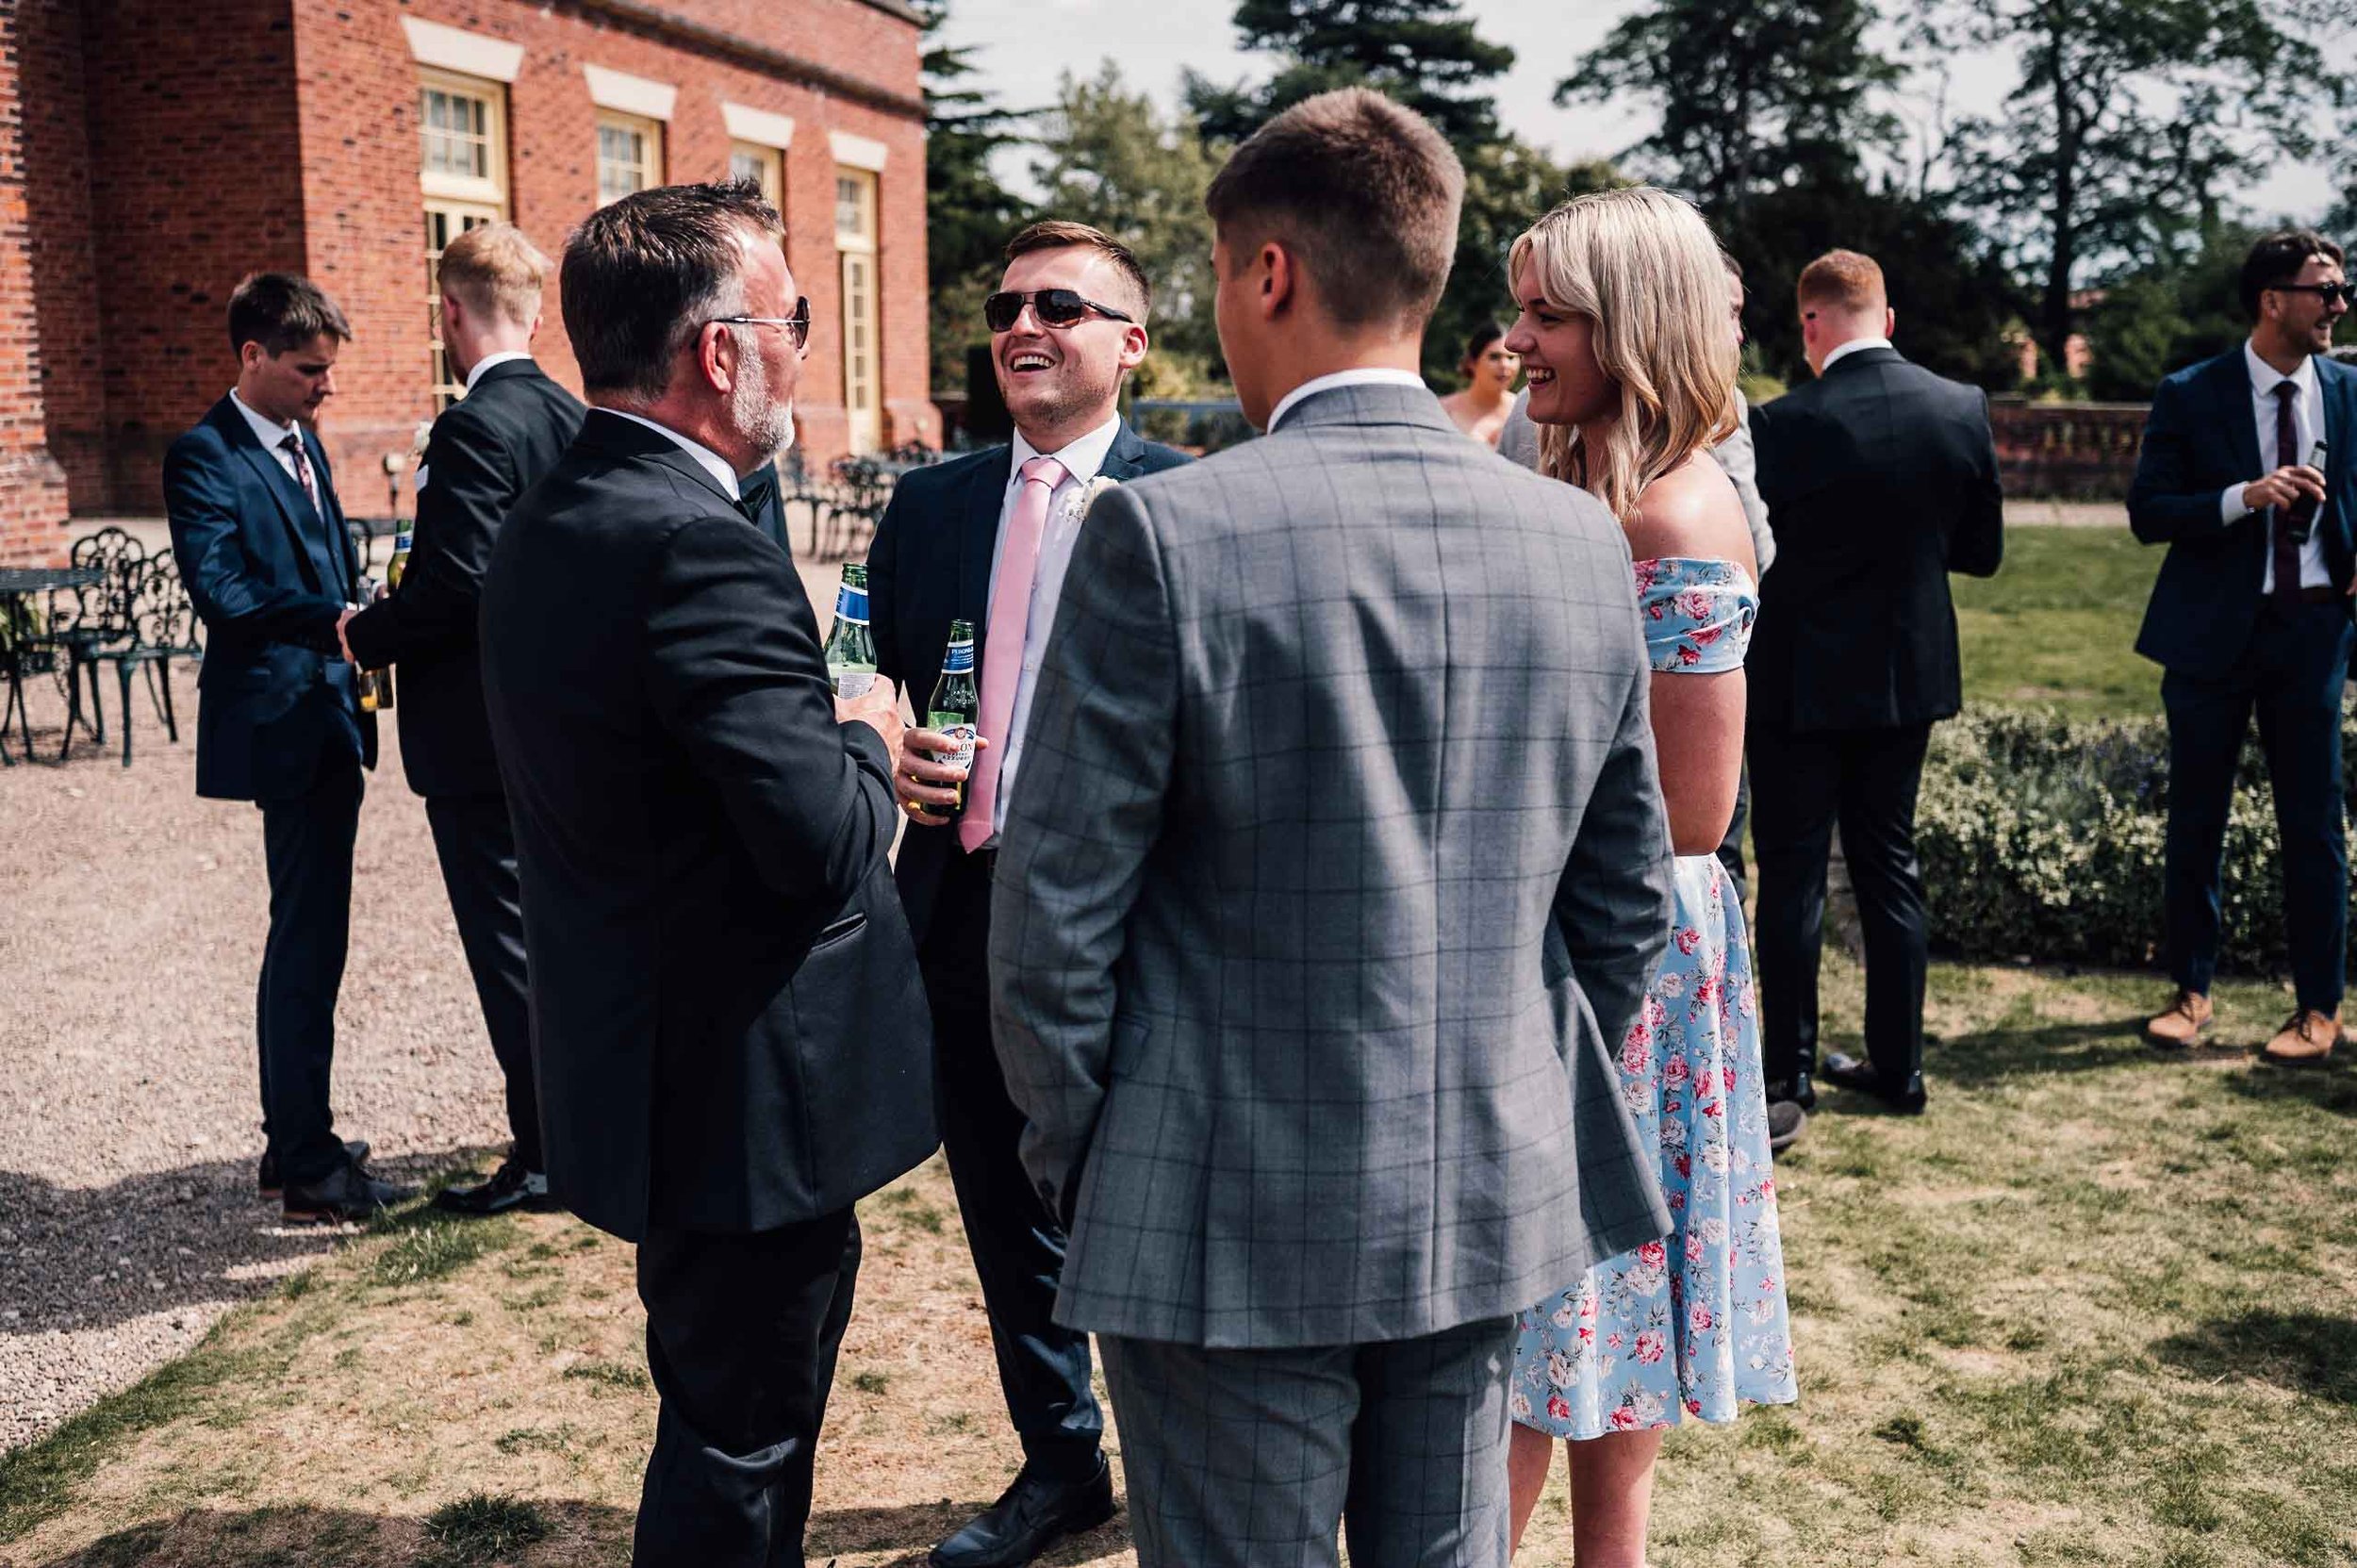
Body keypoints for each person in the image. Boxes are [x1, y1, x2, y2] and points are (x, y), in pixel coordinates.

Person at [989, 89, 1674, 1567]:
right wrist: (1510, 1085)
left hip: (1215, 1194)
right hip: (1486, 1180)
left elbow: (1054, 917)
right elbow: (1625, 903)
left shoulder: (1162, 535)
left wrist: (1088, 1152)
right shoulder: (1574, 541)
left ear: (1270, 274)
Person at [478, 182, 936, 1568]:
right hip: (742, 1096)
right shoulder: (695, 545)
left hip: (642, 1052)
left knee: (722, 1407)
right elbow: (817, 842)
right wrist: (866, 735)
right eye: (794, 317)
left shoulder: (560, 511)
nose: (805, 344)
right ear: (721, 349)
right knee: (744, 1431)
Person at [866, 219, 1189, 1568]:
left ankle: (1194, 1472)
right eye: (1005, 305)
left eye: (1063, 302)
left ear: (1132, 341)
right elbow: (869, 661)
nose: (1023, 324)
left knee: (1160, 1208)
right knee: (1008, 1215)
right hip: (961, 906)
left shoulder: (1191, 503)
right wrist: (885, 735)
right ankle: (1064, 1460)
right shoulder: (930, 504)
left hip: (1142, 931)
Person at [1499, 188, 1798, 1567]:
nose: (1517, 340)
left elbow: (1691, 810)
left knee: (1560, 1313)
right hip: (1572, 941)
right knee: (1558, 1329)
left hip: (1622, 960)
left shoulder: (1672, 517)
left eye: (1549, 313)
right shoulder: (1571, 480)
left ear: (1633, 324)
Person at [339, 223, 584, 1217]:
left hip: (483, 739)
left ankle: (543, 1155)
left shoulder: (473, 429)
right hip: (560, 725)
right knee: (562, 941)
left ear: (449, 312)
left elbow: (455, 583)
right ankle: (578, 1132)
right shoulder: (572, 415)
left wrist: (366, 633)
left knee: (511, 951)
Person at [166, 272, 411, 1224]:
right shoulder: (203, 456)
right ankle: (307, 1164)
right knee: (305, 943)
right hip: (281, 727)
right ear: (252, 357)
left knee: (319, 937)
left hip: (332, 721)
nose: (327, 387)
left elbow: (324, 561)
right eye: (309, 370)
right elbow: (223, 594)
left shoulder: (305, 442)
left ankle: (290, 1142)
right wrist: (340, 623)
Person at [1746, 248, 2003, 1117]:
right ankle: (1900, 1070)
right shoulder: (1960, 407)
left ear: (1811, 323)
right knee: (1890, 867)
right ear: (1886, 320)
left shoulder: (1780, 423)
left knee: (1792, 876)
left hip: (1799, 683)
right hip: (1907, 677)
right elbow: (1982, 552)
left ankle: (1787, 1075)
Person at [2131, 230, 2353, 1064]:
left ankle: (2318, 1008)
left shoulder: (2350, 391)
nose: (2338, 305)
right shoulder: (2191, 393)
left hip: (2314, 634)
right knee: (2196, 819)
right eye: (2324, 291)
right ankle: (2189, 994)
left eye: (2340, 291)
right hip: (2210, 635)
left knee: (2315, 826)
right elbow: (2150, 512)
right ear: (2273, 300)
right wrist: (2243, 496)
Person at [1441, 321, 1521, 446]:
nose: (1504, 365)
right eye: (1494, 357)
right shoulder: (1444, 411)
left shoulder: (1525, 412)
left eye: (1511, 357)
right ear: (1472, 362)